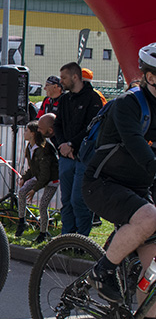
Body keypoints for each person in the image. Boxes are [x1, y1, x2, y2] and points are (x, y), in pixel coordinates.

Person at [82, 42, 156, 319]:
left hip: (138, 192)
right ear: (149, 76)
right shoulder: (129, 104)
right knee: (149, 216)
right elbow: (138, 147)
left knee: (152, 268)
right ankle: (102, 270)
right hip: (102, 184)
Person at [53, 61, 104, 236]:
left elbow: (92, 128)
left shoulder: (93, 98)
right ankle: (66, 238)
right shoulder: (65, 99)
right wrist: (62, 145)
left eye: (64, 78)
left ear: (75, 77)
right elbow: (57, 124)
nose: (61, 82)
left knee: (78, 200)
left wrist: (72, 144)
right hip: (66, 156)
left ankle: (82, 239)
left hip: (84, 156)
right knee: (66, 200)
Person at [15, 120, 59, 244]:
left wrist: (34, 190)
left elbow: (45, 175)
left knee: (43, 205)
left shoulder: (43, 149)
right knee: (22, 192)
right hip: (38, 177)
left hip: (51, 180)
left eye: (26, 131)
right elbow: (33, 169)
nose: (24, 133)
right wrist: (24, 177)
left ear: (33, 133)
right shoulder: (29, 148)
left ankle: (43, 233)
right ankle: (22, 221)